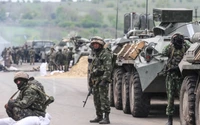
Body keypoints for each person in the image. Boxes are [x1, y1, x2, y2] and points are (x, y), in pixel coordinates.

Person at [162, 33, 190, 125]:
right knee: (170, 99)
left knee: (183, 98)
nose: (179, 45)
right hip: (171, 76)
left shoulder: (186, 46)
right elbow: (163, 53)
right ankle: (170, 120)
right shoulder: (170, 48)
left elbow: (190, 54)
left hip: (181, 76)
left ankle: (184, 117)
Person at [89, 36, 112, 124]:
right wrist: (91, 81)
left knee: (103, 99)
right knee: (96, 99)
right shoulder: (96, 54)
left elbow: (108, 68)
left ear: (100, 45)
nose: (95, 45)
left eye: (97, 44)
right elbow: (93, 68)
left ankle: (106, 117)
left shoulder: (105, 54)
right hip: (95, 81)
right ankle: (99, 116)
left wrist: (104, 80)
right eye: (94, 44)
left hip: (102, 80)